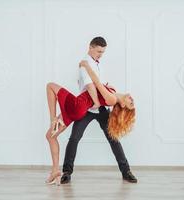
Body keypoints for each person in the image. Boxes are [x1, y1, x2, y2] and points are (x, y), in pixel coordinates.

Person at [45, 38, 136, 185]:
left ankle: (126, 171)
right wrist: (95, 100)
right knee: (74, 138)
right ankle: (67, 172)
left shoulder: (94, 64)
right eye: (99, 51)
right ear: (91, 47)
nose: (101, 55)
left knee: (113, 139)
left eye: (103, 52)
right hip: (86, 108)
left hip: (100, 109)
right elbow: (91, 86)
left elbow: (98, 84)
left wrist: (101, 98)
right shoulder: (85, 64)